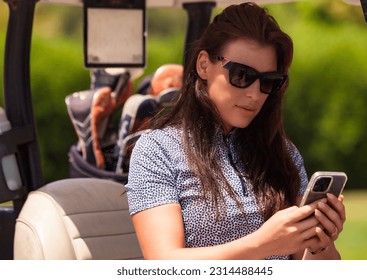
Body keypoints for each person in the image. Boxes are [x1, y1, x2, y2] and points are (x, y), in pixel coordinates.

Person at [125, 2, 346, 260]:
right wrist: (265, 244)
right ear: (204, 65)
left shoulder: (282, 151)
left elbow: (314, 264)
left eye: (268, 81)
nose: (254, 94)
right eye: (242, 75)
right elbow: (164, 263)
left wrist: (320, 242)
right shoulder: (157, 150)